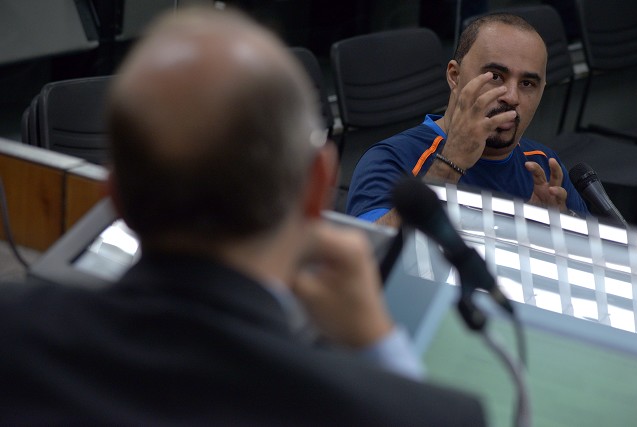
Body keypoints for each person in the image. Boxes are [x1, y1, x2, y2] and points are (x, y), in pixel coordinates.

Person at [0, 6, 486, 425]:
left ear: (114, 197)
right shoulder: (423, 415)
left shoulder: (15, 337)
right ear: (318, 187)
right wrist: (379, 346)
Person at [347, 13, 588, 226]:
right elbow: (368, 251)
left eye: (527, 83)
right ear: (455, 76)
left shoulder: (543, 166)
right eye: (495, 76)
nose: (512, 97)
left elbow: (593, 256)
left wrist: (557, 232)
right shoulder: (395, 158)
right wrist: (449, 164)